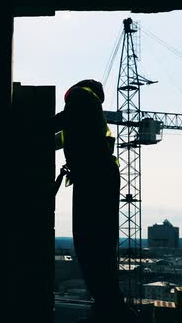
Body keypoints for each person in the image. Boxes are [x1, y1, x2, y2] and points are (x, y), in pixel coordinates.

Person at [52, 79, 136, 322]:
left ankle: (109, 309)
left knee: (90, 245)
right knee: (98, 246)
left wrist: (21, 128)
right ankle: (109, 306)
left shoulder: (81, 96)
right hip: (100, 179)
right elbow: (58, 138)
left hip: (95, 178)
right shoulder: (87, 117)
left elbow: (55, 127)